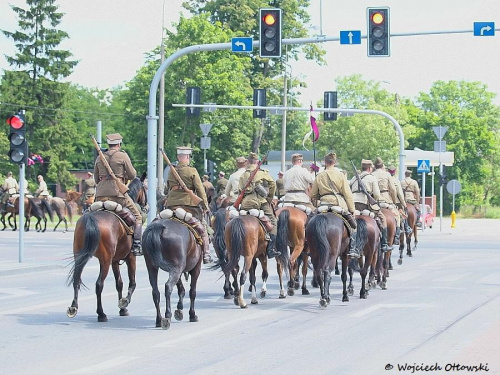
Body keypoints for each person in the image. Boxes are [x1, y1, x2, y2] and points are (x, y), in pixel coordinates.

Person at [93, 133, 143, 256]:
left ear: (108, 144)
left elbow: (96, 179)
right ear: (119, 144)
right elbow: (132, 175)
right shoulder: (122, 156)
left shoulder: (100, 157)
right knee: (138, 217)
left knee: (88, 214)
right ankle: (136, 244)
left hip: (100, 195)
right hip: (118, 195)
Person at [165, 146, 212, 264]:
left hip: (172, 205)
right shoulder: (192, 171)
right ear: (187, 157)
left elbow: (167, 189)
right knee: (203, 227)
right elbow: (200, 190)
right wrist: (205, 206)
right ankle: (206, 253)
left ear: (178, 157)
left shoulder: (172, 170)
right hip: (189, 205)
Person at [310, 152, 356, 258]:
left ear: (325, 162)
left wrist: (320, 197)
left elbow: (313, 194)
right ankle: (352, 248)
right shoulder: (341, 175)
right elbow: (347, 194)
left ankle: (307, 244)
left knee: (308, 223)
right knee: (354, 226)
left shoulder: (319, 175)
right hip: (338, 205)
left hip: (323, 205)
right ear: (334, 162)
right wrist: (352, 209)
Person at [239, 152, 280, 258]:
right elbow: (273, 184)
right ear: (257, 162)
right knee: (274, 222)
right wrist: (269, 198)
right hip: (260, 202)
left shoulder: (243, 174)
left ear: (248, 161)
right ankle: (270, 249)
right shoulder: (261, 172)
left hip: (245, 203)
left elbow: (240, 191)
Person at [349, 159, 389, 254]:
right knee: (382, 218)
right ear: (370, 168)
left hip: (353, 204)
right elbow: (377, 194)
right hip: (364, 204)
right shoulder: (371, 178)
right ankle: (384, 244)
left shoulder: (354, 178)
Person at [372, 157, 401, 244]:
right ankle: (396, 236)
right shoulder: (387, 175)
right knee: (397, 216)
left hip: (375, 202)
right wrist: (394, 201)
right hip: (386, 201)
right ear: (382, 166)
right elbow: (393, 190)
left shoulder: (371, 175)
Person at [388, 165, 412, 235]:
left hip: (382, 201)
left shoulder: (384, 179)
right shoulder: (396, 181)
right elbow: (400, 194)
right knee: (403, 213)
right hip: (395, 202)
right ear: (395, 172)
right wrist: (404, 204)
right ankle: (405, 227)